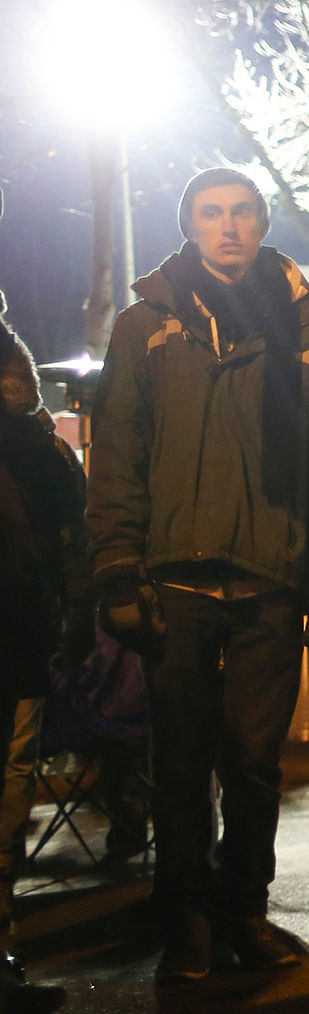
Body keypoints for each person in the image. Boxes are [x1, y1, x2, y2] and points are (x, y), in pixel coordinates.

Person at [88, 167, 309, 984]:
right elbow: (118, 457)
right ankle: (187, 918)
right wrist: (116, 568)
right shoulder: (147, 327)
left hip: (269, 577)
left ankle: (244, 905)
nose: (228, 227)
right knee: (179, 763)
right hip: (174, 579)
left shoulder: (308, 334)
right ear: (190, 226)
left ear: (262, 221)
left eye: (242, 212)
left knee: (252, 762)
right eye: (211, 214)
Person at [1, 304, 89, 938]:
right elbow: (68, 516)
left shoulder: (28, 432)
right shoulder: (29, 431)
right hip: (21, 613)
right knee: (11, 761)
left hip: (21, 614)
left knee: (12, 760)